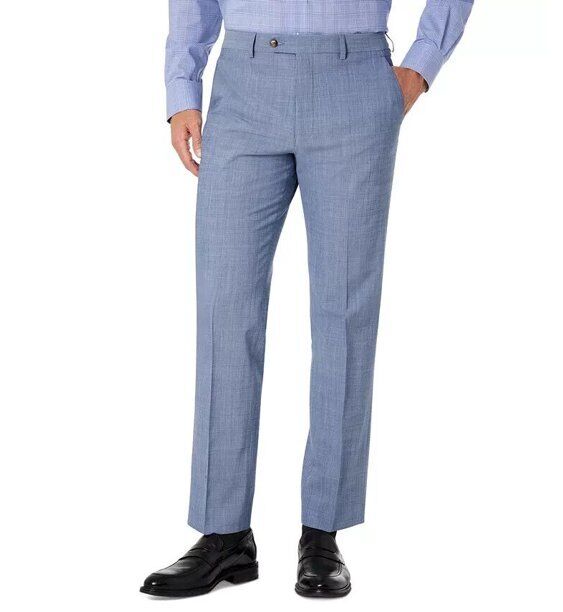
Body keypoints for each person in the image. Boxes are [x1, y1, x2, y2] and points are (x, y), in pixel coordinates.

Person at [141, 0, 473, 599]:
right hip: (244, 81)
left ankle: (323, 534)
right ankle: (224, 535)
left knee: (343, 316)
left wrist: (421, 65)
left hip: (355, 81)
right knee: (224, 312)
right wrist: (182, 85)